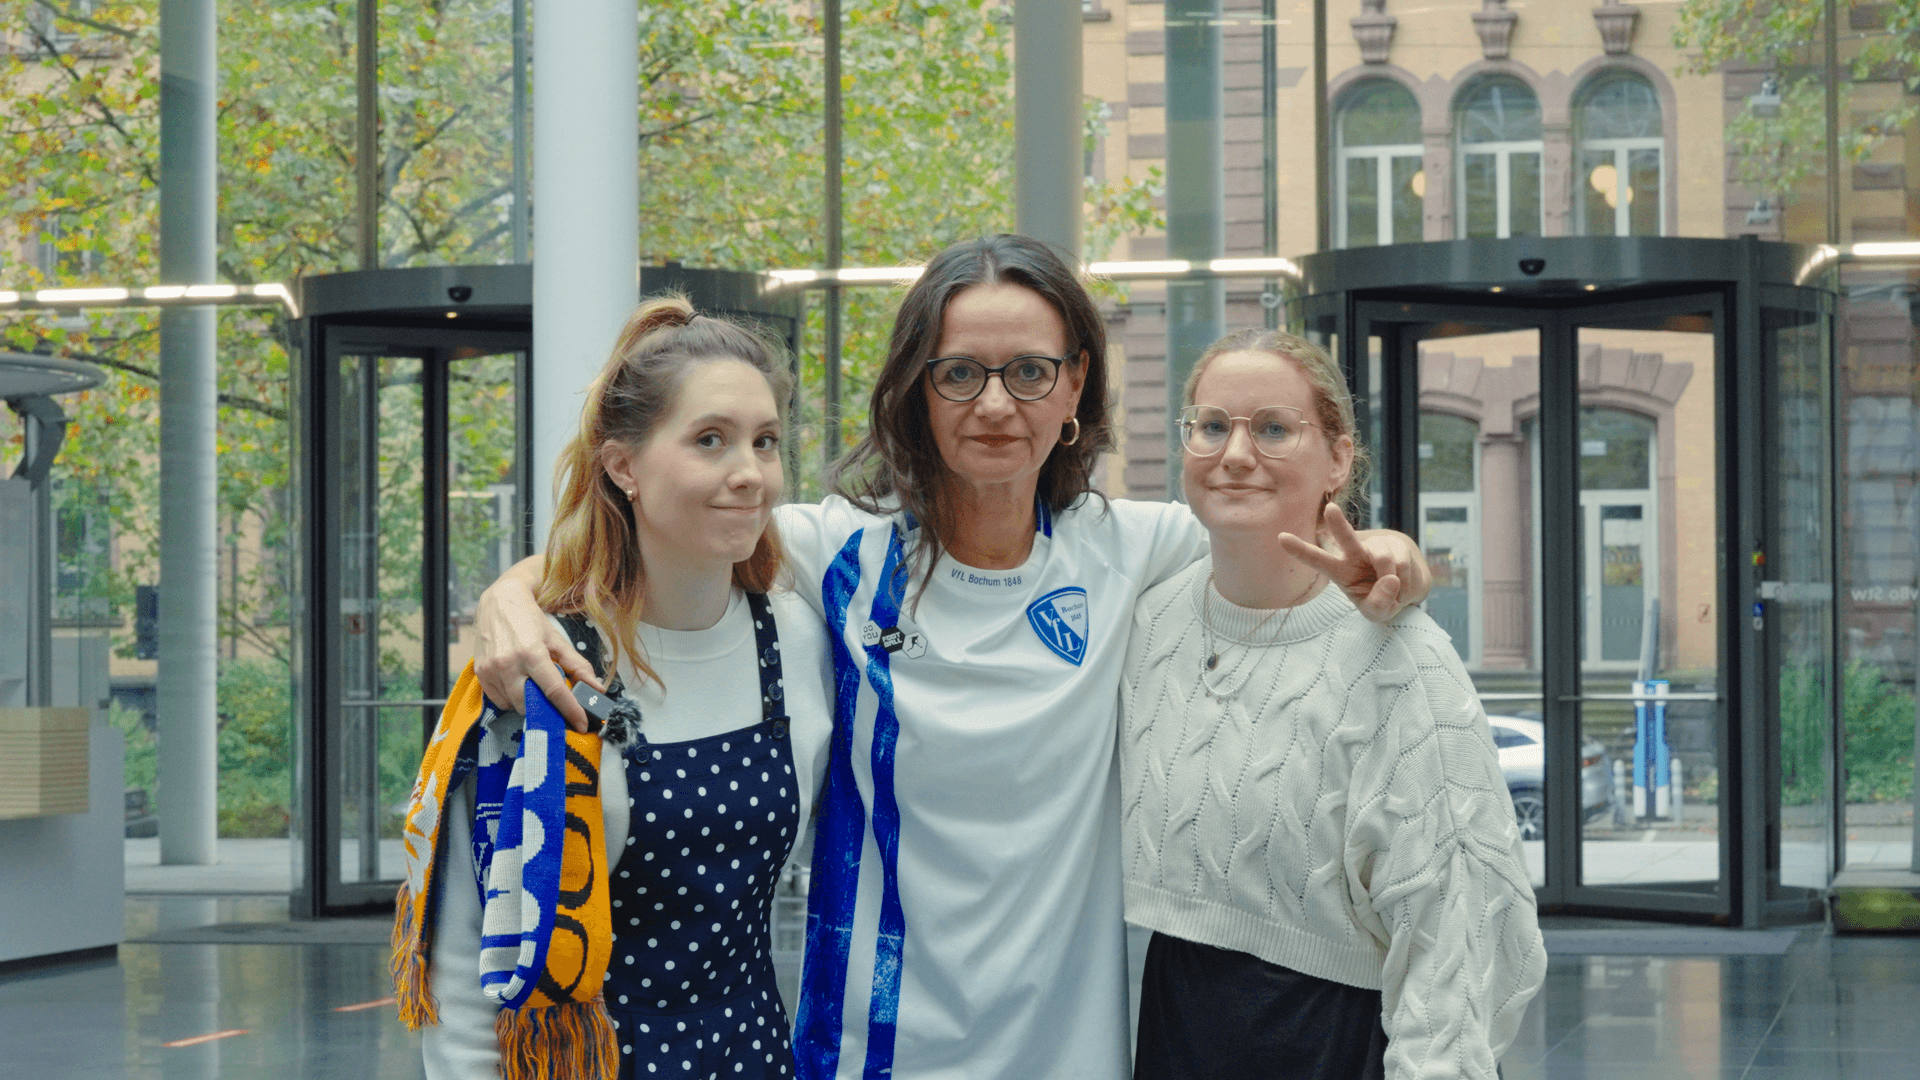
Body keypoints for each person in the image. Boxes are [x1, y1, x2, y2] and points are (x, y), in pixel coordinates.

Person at [469, 235, 1435, 1080]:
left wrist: (1391, 547)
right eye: (959, 372)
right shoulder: (835, 552)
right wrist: (508, 598)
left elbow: (1268, 534)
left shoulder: (1135, 549)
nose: (995, 403)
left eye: (1030, 372)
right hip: (874, 1051)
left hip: (1073, 1051)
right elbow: (650, 534)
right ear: (917, 392)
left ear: (1075, 388)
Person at [414, 297, 834, 1080]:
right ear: (623, 466)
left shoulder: (800, 642)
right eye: (710, 440)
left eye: (765, 442)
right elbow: (470, 971)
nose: (749, 473)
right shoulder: (539, 666)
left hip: (755, 1056)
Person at [1120, 329, 1545, 1080]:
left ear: (1339, 458)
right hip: (1172, 1032)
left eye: (1274, 429)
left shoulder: (1397, 656)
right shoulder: (1148, 623)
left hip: (1339, 1042)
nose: (1236, 454)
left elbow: (1457, 929)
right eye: (1212, 425)